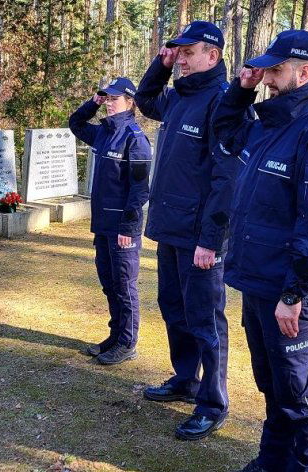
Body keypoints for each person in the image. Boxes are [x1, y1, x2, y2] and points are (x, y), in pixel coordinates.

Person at [211, 30, 308, 472]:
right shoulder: (267, 124)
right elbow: (224, 133)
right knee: (271, 383)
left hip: (291, 292)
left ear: (305, 73)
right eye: (266, 70)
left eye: (275, 70)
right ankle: (272, 467)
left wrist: (294, 294)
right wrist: (241, 87)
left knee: (303, 395)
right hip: (257, 282)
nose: (268, 78)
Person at [133, 20, 234, 441]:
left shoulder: (224, 103)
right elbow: (144, 99)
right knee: (173, 308)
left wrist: (211, 240)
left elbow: (226, 178)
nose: (182, 59)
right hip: (170, 228)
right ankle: (185, 379)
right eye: (179, 52)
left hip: (199, 239)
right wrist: (161, 63)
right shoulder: (177, 98)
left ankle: (212, 401)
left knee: (205, 318)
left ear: (213, 56)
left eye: (188, 52)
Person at [68, 77, 151, 365]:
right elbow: (76, 123)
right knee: (108, 283)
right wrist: (93, 102)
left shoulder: (135, 138)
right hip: (102, 225)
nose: (109, 103)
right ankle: (115, 337)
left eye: (114, 98)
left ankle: (127, 343)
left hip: (122, 230)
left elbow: (140, 189)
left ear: (130, 102)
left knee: (125, 286)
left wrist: (128, 228)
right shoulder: (104, 133)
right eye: (107, 98)